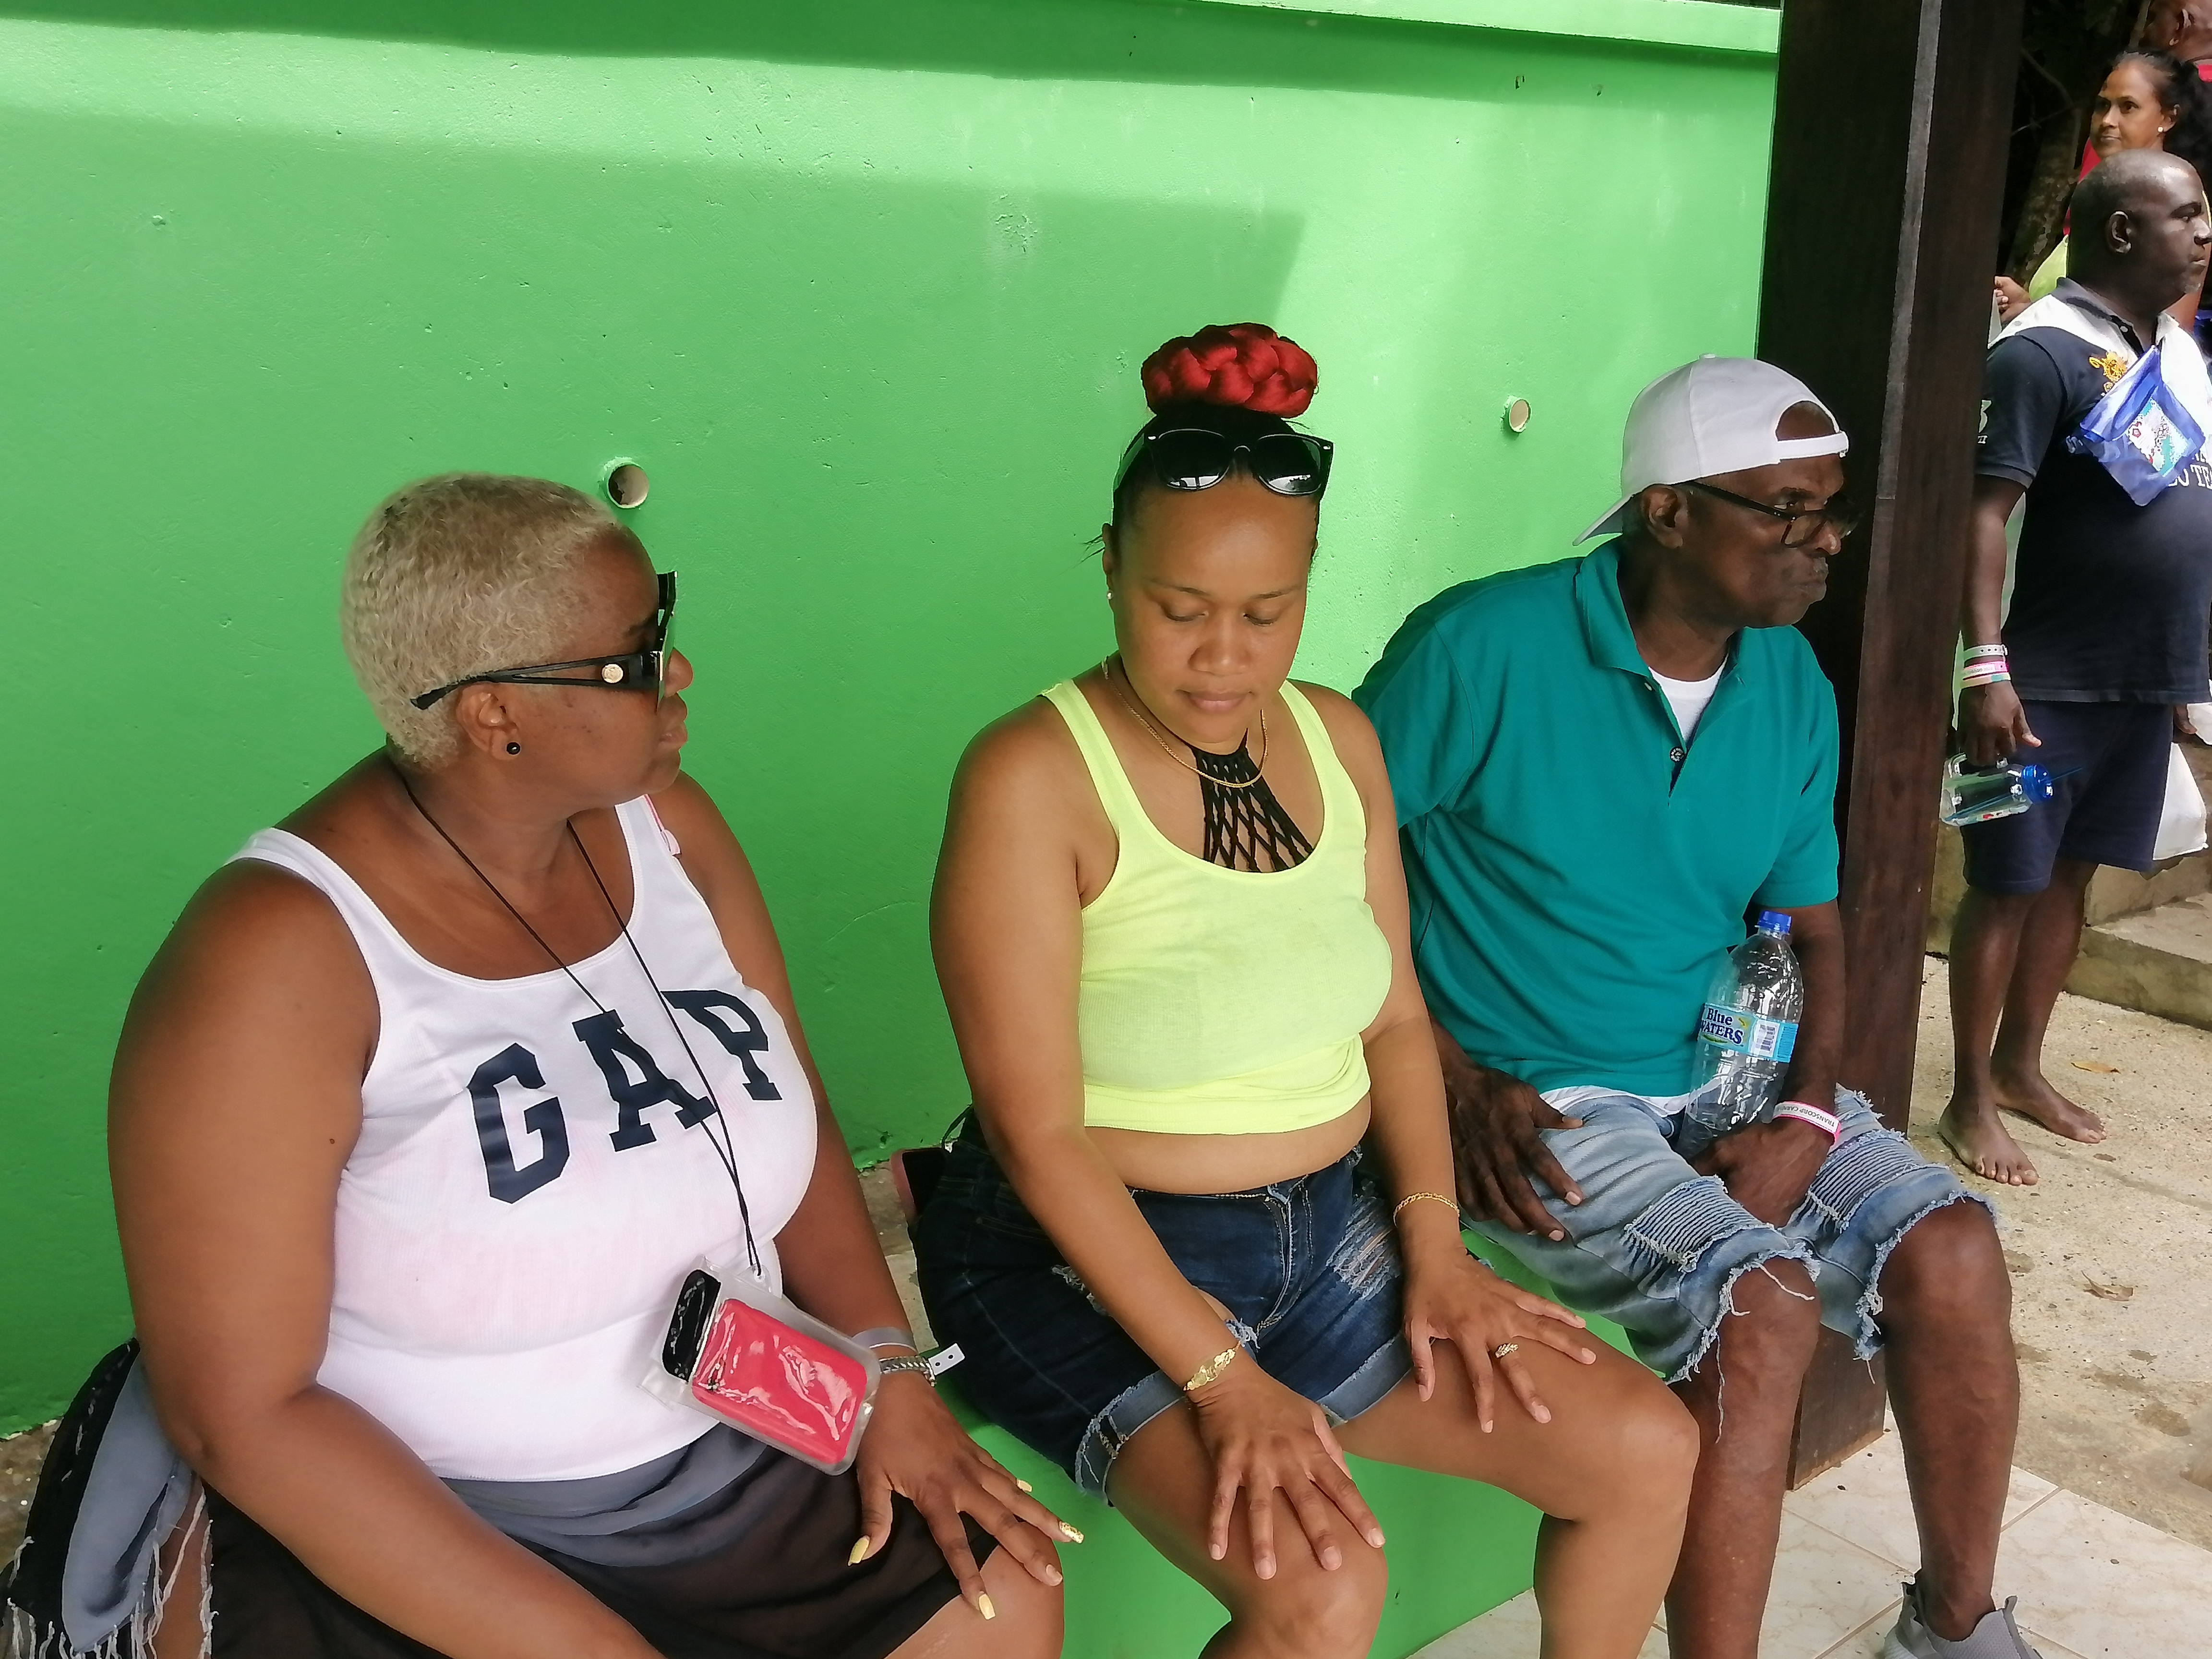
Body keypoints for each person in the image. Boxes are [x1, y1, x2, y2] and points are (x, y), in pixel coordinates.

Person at [1, 476, 1066, 1659]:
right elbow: (243, 1413)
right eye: (636, 656)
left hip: (742, 1428)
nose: (677, 671)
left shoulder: (668, 827)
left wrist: (884, 1365)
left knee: (1000, 1600)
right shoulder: (275, 960)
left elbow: (789, 1099)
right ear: (495, 714)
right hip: (421, 1516)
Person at [914, 325, 1698, 1659]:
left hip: (1324, 1229)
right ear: (1110, 570)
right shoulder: (1033, 777)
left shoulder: (1338, 737)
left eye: (1266, 613)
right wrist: (1226, 1384)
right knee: (1324, 1588)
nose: (1223, 656)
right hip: (1079, 1254)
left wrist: (1436, 1253)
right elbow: (1039, 1135)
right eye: (1179, 610)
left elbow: (1393, 1020)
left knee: (1641, 1445)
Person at [1357, 357, 2034, 1659]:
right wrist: (1445, 1073)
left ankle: (1956, 1630)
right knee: (1757, 1302)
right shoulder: (1480, 648)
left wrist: (1806, 1116)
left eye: (1830, 510)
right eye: (1786, 509)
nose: (1822, 540)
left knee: (1951, 1251)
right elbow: (1328, 878)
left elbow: (1815, 929)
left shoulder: (1787, 682)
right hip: (1534, 1093)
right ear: (1667, 512)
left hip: (1729, 1070)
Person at [1946, 149, 2212, 1185]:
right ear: (2121, 231)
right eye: (2185, 214)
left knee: (2072, 880)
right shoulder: (2037, 352)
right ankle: (1968, 1097)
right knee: (2002, 884)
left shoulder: (2176, 355)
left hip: (2140, 686)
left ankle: (2019, 1068)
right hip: (2035, 687)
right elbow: (1980, 516)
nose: (2203, 232)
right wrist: (1984, 669)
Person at [1996, 50, 2212, 331]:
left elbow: (2165, 334)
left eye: (2128, 107)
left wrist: (2035, 316)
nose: (2108, 120)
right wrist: (2029, 305)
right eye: (2102, 106)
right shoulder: (2102, 195)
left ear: (2169, 118)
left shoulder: (2179, 204)